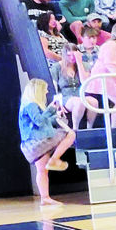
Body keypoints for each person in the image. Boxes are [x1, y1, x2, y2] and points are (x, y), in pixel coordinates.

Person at [20, 79, 74, 208]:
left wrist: (55, 116)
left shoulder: (27, 105)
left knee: (42, 170)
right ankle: (55, 159)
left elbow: (42, 122)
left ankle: (45, 198)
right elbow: (39, 121)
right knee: (70, 134)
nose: (47, 92)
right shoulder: (31, 104)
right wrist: (51, 109)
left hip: (30, 145)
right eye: (45, 89)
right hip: (37, 141)